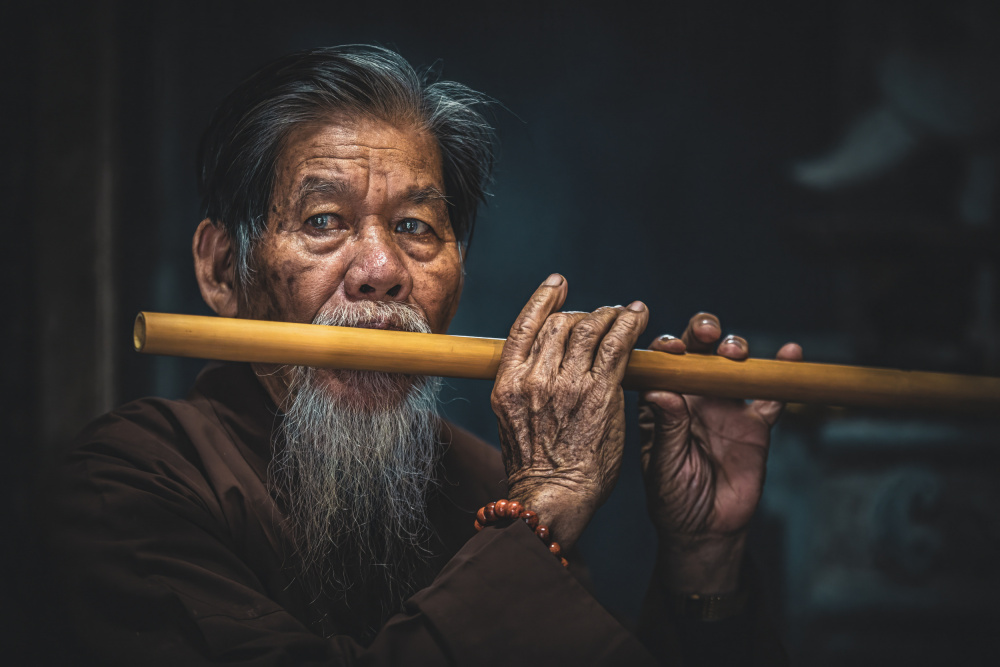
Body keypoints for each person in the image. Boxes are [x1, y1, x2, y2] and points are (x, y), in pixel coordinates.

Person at [41, 45, 801, 665]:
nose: (381, 269)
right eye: (325, 219)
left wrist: (704, 557)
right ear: (221, 270)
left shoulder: (486, 480)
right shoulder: (131, 477)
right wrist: (537, 513)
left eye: (415, 227)